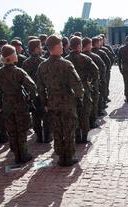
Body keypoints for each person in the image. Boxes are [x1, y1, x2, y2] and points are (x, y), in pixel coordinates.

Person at [37, 35, 84, 167]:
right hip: (67, 102)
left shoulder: (42, 66)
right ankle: (68, 157)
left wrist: (45, 103)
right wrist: (78, 98)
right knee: (69, 130)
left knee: (57, 130)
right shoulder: (66, 64)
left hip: (52, 102)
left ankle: (60, 156)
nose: (63, 47)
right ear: (57, 46)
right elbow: (77, 85)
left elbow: (40, 87)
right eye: (61, 45)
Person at [0, 45, 37, 165]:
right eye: (15, 53)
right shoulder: (18, 71)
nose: (17, 55)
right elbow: (32, 87)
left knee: (12, 130)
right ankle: (23, 154)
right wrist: (30, 98)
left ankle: (16, 154)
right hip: (19, 102)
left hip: (6, 102)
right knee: (21, 129)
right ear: (11, 56)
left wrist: (0, 105)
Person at [65, 36, 99, 144]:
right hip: (84, 88)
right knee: (85, 113)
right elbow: (96, 71)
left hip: (71, 91)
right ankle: (85, 136)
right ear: (79, 46)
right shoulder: (86, 58)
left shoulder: (66, 60)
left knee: (73, 114)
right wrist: (91, 81)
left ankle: (77, 135)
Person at [22, 38, 51, 144]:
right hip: (43, 91)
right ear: (35, 49)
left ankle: (39, 136)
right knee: (46, 115)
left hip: (32, 93)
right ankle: (47, 137)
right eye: (39, 46)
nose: (41, 48)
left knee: (35, 115)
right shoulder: (43, 62)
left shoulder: (25, 62)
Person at [82, 37, 106, 129]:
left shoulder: (71, 58)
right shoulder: (94, 57)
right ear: (88, 45)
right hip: (93, 84)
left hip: (80, 86)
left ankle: (85, 122)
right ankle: (92, 122)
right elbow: (102, 67)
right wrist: (99, 80)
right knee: (94, 102)